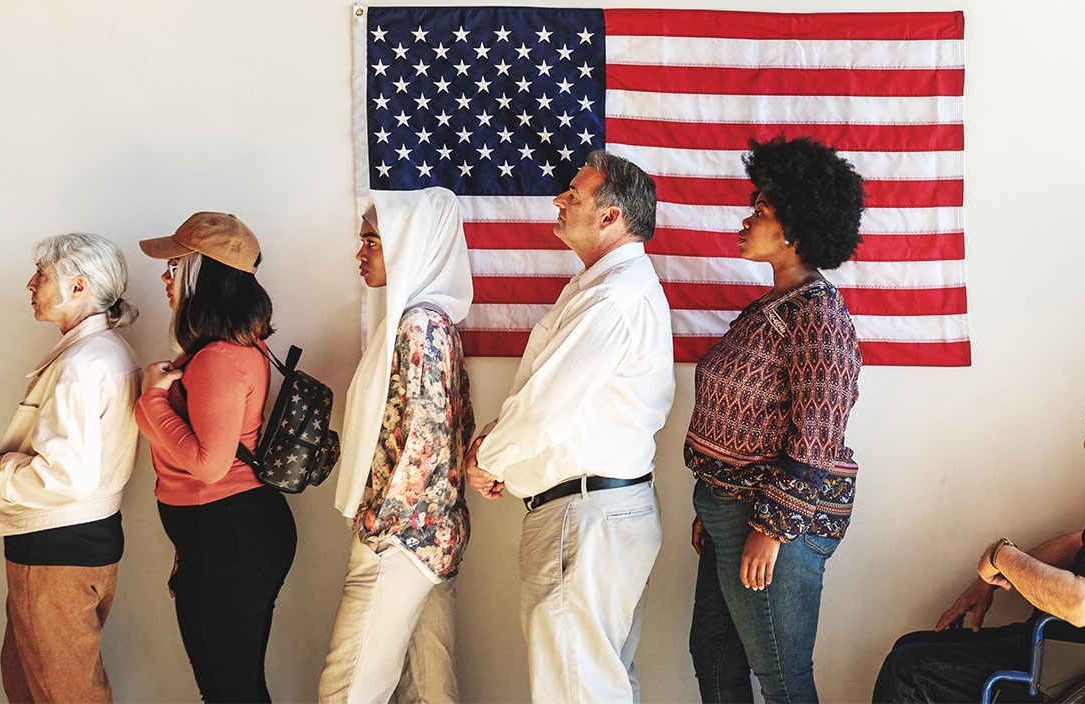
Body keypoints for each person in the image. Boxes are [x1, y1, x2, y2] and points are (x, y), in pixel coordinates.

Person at [466, 151, 673, 703]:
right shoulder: (602, 288)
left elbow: (543, 412)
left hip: (585, 519)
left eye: (574, 196)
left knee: (576, 692)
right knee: (597, 686)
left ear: (611, 218)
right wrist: (499, 447)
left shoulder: (612, 297)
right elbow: (555, 399)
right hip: (597, 514)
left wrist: (489, 460)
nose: (559, 199)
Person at [874, 365, 1085, 703]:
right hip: (1073, 649)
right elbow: (1079, 543)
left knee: (907, 671)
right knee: (909, 648)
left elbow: (1082, 606)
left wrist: (1002, 555)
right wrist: (991, 578)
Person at [683, 136, 866, 704]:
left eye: (760, 210)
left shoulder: (818, 315)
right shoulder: (771, 308)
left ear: (794, 230)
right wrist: (715, 502)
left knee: (782, 677)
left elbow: (816, 434)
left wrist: (769, 529)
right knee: (714, 659)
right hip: (730, 513)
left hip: (772, 521)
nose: (746, 218)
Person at [318, 188, 474, 703]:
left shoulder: (419, 327)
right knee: (427, 689)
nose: (359, 255)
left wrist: (378, 528)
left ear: (408, 246)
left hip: (400, 538)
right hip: (430, 536)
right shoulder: (435, 325)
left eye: (372, 242)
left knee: (350, 687)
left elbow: (423, 442)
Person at [133, 212, 293, 703]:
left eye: (177, 264)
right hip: (222, 537)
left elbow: (208, 465)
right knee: (233, 689)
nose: (165, 276)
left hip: (230, 536)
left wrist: (151, 399)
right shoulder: (230, 350)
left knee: (229, 693)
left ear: (203, 274)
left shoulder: (220, 358)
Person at [0, 233, 142, 702]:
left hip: (55, 551)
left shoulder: (80, 364)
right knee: (38, 683)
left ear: (78, 288)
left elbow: (65, 476)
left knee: (62, 693)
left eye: (42, 274)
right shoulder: (109, 352)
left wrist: (0, 473)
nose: (30, 283)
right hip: (84, 540)